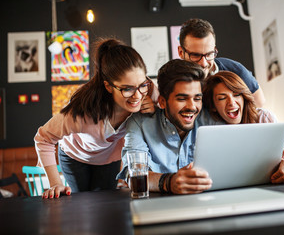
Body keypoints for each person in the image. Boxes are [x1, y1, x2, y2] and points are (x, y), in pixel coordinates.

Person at [34, 38, 156, 199]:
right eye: (127, 89)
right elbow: (43, 138)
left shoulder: (150, 92)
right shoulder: (83, 111)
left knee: (107, 202)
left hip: (109, 157)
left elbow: (174, 108)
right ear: (108, 86)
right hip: (75, 156)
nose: (137, 96)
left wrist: (156, 109)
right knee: (81, 203)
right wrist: (56, 183)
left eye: (142, 85)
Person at [117, 59, 214, 195]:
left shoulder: (211, 121)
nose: (192, 107)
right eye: (182, 99)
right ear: (162, 102)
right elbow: (132, 175)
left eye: (197, 98)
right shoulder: (139, 123)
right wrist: (169, 182)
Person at [203, 71, 284, 183]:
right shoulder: (210, 131)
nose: (231, 103)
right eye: (222, 98)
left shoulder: (263, 118)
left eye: (236, 95)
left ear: (244, 97)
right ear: (213, 106)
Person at [178, 18, 266, 108]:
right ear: (181, 52)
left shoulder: (235, 70)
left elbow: (259, 104)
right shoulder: (172, 80)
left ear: (214, 49)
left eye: (209, 54)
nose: (204, 63)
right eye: (195, 55)